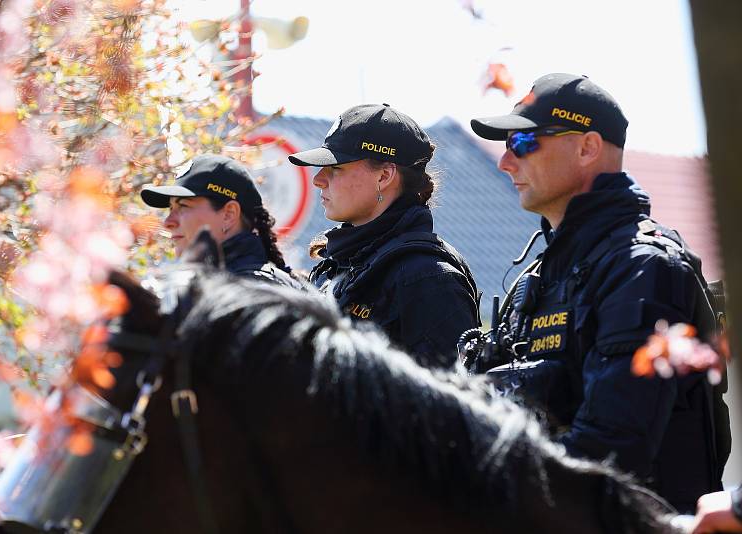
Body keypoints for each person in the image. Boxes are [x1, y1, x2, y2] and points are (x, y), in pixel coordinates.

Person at [469, 73, 730, 512]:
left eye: (524, 144)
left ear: (588, 148)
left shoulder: (644, 267)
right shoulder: (534, 278)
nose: (505, 162)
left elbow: (611, 450)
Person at [288, 103, 481, 369]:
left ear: (385, 175)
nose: (318, 180)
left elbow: (447, 405)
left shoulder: (428, 279)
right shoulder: (338, 264)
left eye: (336, 168)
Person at [141, 153, 301, 288]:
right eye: (170, 209)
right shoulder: (212, 284)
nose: (168, 222)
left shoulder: (254, 290)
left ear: (229, 215)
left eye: (183, 205)